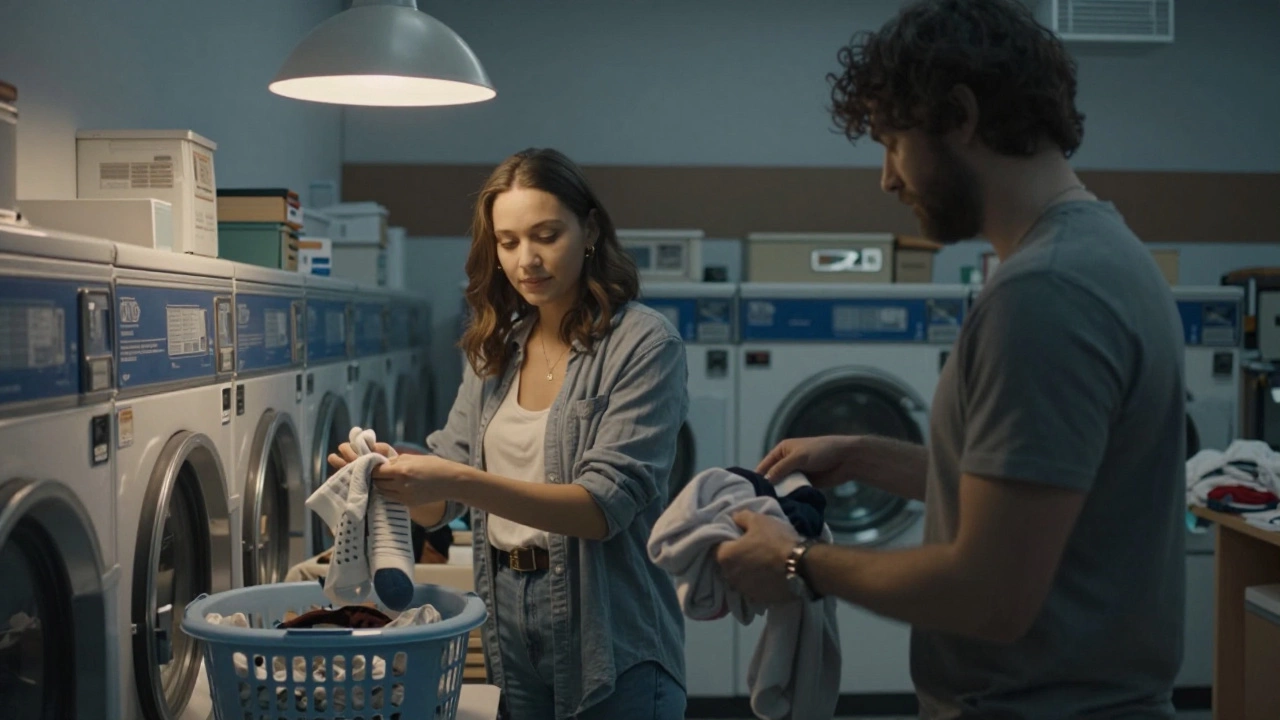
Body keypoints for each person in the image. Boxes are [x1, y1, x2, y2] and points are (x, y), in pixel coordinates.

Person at [715, 1, 1188, 717]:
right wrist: (866, 456)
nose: (886, 178)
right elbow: (1032, 495)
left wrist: (796, 563)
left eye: (892, 142)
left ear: (960, 116)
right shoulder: (1103, 253)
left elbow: (990, 596)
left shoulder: (1045, 293)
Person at [329, 147, 689, 720]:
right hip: (508, 620)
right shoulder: (496, 348)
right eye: (508, 241)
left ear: (590, 230)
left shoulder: (644, 344)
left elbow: (602, 508)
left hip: (608, 626)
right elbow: (441, 506)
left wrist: (455, 480)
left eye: (547, 235)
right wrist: (396, 478)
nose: (527, 260)